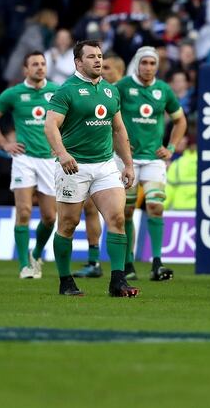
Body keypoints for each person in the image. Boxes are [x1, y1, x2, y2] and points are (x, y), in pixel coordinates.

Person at [45, 40, 138, 297]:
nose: (98, 60)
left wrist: (127, 163)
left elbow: (118, 129)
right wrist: (62, 155)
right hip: (74, 166)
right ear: (78, 62)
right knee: (68, 223)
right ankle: (65, 281)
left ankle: (118, 281)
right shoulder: (67, 91)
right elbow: (50, 126)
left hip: (105, 164)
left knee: (117, 219)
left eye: (100, 56)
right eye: (91, 57)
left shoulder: (110, 91)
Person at [110, 46, 187, 281]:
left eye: (153, 63)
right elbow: (103, 117)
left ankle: (156, 262)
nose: (148, 67)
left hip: (154, 159)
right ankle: (129, 262)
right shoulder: (122, 87)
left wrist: (171, 147)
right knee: (127, 211)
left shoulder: (163, 90)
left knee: (156, 206)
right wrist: (116, 144)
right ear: (137, 63)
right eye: (144, 63)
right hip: (127, 159)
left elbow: (180, 120)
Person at [0, 51, 60, 279]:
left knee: (49, 217)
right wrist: (5, 143)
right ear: (25, 69)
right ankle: (24, 265)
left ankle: (36, 253)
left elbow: (71, 119)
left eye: (42, 64)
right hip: (24, 159)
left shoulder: (56, 91)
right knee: (24, 211)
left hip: (49, 158)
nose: (39, 67)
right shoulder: (14, 93)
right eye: (34, 64)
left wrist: (62, 146)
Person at [72, 54, 126, 279]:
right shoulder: (91, 90)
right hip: (96, 156)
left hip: (120, 154)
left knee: (122, 214)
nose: (102, 69)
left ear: (120, 71)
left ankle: (126, 266)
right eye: (100, 65)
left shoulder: (120, 90)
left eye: (107, 66)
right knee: (90, 209)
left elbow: (121, 128)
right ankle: (94, 261)